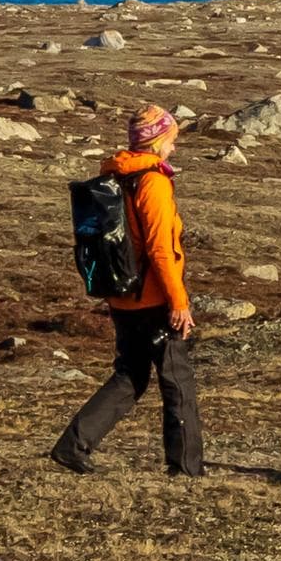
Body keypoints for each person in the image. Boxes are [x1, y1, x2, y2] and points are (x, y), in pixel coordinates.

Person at [51, 104, 204, 476]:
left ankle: (73, 445)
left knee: (130, 375)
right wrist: (178, 302)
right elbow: (161, 250)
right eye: (171, 140)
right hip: (152, 298)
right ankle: (185, 467)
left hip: (121, 294)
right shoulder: (152, 181)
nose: (174, 148)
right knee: (176, 379)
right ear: (157, 141)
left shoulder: (117, 175)